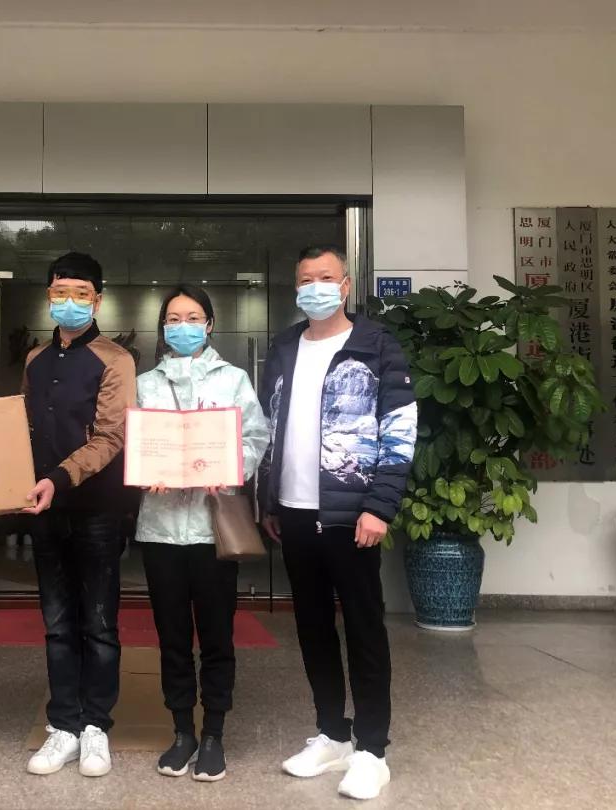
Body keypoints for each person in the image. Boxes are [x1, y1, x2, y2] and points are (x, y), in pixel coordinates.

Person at [259, 246, 416, 801]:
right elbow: (271, 426)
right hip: (295, 512)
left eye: (325, 278)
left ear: (345, 285)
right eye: (306, 280)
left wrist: (380, 506)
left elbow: (400, 428)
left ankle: (372, 750)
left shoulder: (376, 344)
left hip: (353, 515)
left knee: (364, 629)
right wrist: (270, 501)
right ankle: (332, 733)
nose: (315, 287)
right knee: (312, 627)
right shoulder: (284, 346)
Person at [134, 286, 269, 782]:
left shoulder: (234, 379)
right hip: (160, 529)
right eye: (173, 318)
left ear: (209, 325)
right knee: (171, 637)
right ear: (163, 327)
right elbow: (135, 442)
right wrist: (145, 470)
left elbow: (256, 435)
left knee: (216, 636)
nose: (182, 326)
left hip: (214, 531)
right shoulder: (145, 384)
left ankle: (213, 733)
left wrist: (230, 467)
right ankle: (181, 731)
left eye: (193, 318)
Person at [22, 252, 136, 778]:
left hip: (96, 509)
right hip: (44, 509)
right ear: (49, 296)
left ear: (98, 299)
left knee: (98, 623)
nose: (70, 301)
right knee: (56, 623)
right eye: (61, 291)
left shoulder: (115, 359)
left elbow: (112, 436)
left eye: (82, 293)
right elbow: (22, 429)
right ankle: (63, 725)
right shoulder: (35, 359)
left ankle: (95, 727)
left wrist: (59, 478)